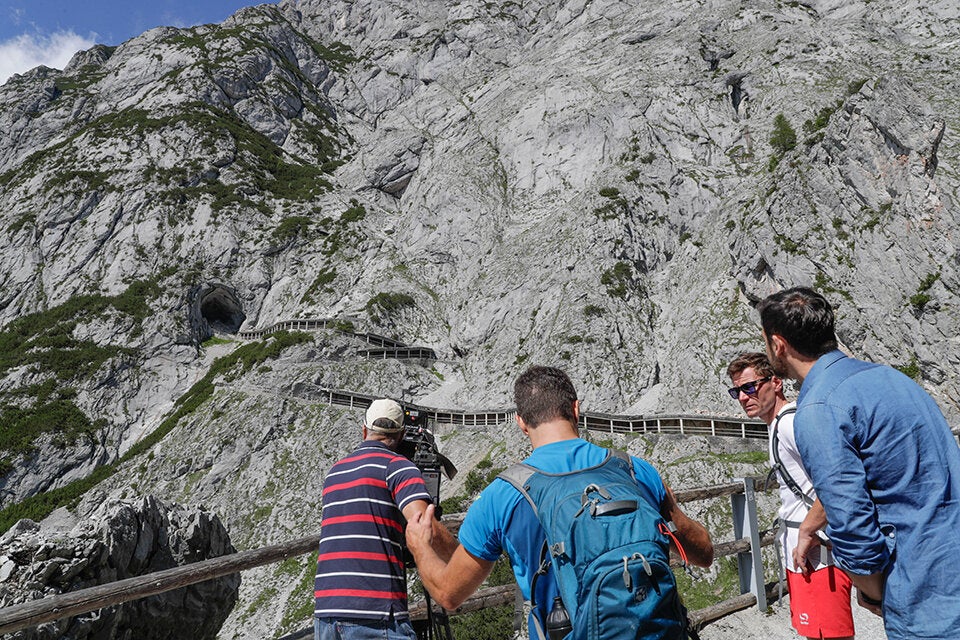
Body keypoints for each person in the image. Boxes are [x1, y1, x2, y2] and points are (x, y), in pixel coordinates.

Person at [404, 365, 713, 633]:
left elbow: (449, 594)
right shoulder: (635, 470)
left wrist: (420, 547)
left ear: (521, 422)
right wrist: (671, 508)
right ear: (576, 409)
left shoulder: (503, 494)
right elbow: (703, 553)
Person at [757, 286, 960, 639]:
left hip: (923, 593)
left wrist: (874, 593)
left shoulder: (819, 408)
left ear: (778, 345)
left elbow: (850, 522)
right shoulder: (891, 378)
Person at [727, 352, 854, 640]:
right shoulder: (777, 426)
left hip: (817, 553)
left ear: (776, 382)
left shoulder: (790, 425)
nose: (744, 397)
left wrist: (808, 529)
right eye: (737, 391)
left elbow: (836, 481)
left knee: (828, 635)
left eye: (750, 387)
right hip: (804, 550)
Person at [313, 398, 455, 640]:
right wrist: (462, 558)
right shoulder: (397, 466)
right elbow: (423, 524)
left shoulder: (334, 472)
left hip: (326, 613)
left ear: (364, 429)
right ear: (400, 435)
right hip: (374, 613)